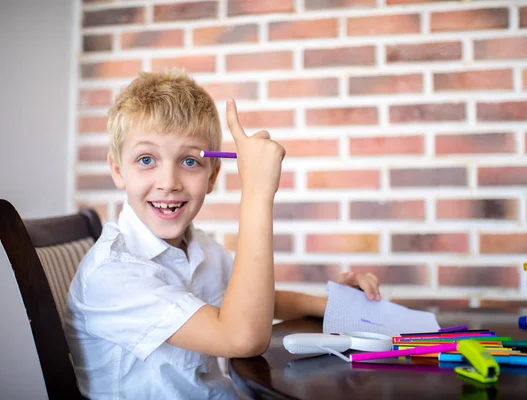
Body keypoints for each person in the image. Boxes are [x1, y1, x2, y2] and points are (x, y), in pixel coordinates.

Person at [65, 69, 381, 399]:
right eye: (146, 159)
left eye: (189, 161)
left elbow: (253, 300)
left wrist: (335, 306)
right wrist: (258, 192)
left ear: (212, 175)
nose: (169, 181)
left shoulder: (201, 247)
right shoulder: (114, 274)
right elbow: (242, 336)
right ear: (118, 170)